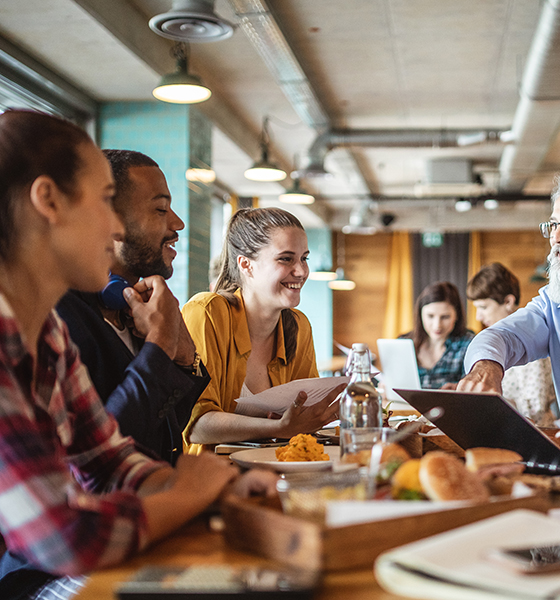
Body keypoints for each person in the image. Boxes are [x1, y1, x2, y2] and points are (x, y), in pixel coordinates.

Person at [0, 110, 275, 600]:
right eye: (106, 201)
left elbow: (108, 459)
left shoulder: (46, 336)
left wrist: (213, 488)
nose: (114, 226)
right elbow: (63, 538)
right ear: (48, 201)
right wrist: (188, 494)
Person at [56, 150, 208, 465]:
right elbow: (104, 454)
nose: (177, 223)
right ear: (108, 219)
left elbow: (165, 428)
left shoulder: (140, 305)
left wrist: (184, 360)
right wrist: (161, 345)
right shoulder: (62, 316)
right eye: (160, 209)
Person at [182, 207, 343, 450]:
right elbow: (194, 425)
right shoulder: (206, 313)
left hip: (279, 472)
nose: (301, 271)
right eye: (286, 258)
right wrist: (279, 428)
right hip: (212, 478)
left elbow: (305, 418)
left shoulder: (298, 326)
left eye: (304, 258)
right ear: (246, 265)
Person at [459, 169, 560, 417]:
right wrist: (486, 366)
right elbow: (503, 335)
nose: (556, 237)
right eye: (554, 225)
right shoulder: (553, 305)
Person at [466, 263, 556, 426]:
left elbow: (535, 410)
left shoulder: (531, 340)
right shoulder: (495, 343)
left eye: (484, 307)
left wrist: (491, 400)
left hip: (537, 435)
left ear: (508, 301)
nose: (478, 316)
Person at [402, 281, 474, 389]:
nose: (437, 325)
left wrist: (458, 388)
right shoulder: (403, 343)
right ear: (420, 314)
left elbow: (473, 388)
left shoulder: (468, 344)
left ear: (457, 316)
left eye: (445, 317)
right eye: (430, 316)